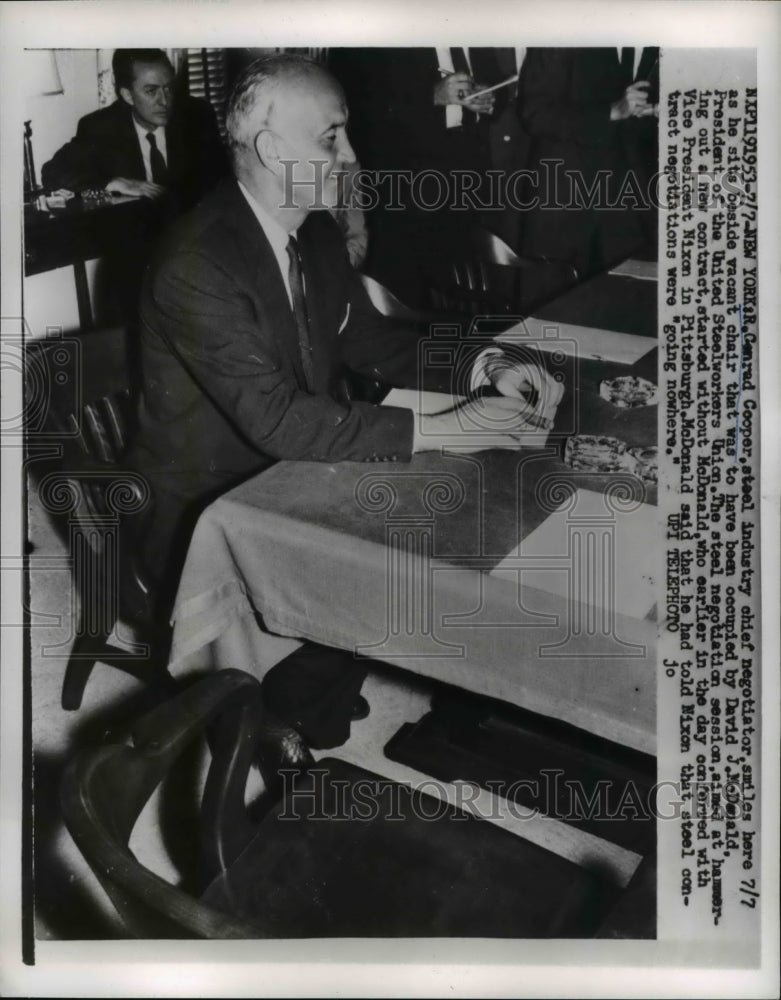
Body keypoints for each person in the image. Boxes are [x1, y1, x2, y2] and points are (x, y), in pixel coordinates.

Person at [125, 53, 561, 748]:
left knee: (447, 517)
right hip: (205, 505)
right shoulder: (197, 262)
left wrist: (482, 363)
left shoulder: (316, 231)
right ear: (271, 148)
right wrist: (450, 427)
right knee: (404, 537)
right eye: (331, 137)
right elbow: (278, 422)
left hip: (293, 465)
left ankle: (321, 688)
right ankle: (282, 716)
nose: (351, 156)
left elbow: (375, 343)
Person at [329, 47, 508, 307]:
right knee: (410, 298)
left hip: (471, 175)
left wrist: (491, 98)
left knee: (470, 293)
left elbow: (495, 80)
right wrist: (432, 95)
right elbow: (356, 101)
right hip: (409, 185)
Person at [517, 47, 659, 277]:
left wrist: (652, 110)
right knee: (555, 308)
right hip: (564, 200)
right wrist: (610, 112)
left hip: (624, 202)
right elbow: (534, 113)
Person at [41, 48, 229, 211]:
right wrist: (112, 183)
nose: (165, 101)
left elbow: (224, 179)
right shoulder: (101, 127)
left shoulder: (197, 116)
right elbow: (53, 172)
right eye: (151, 91)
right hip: (136, 240)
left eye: (168, 88)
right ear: (127, 95)